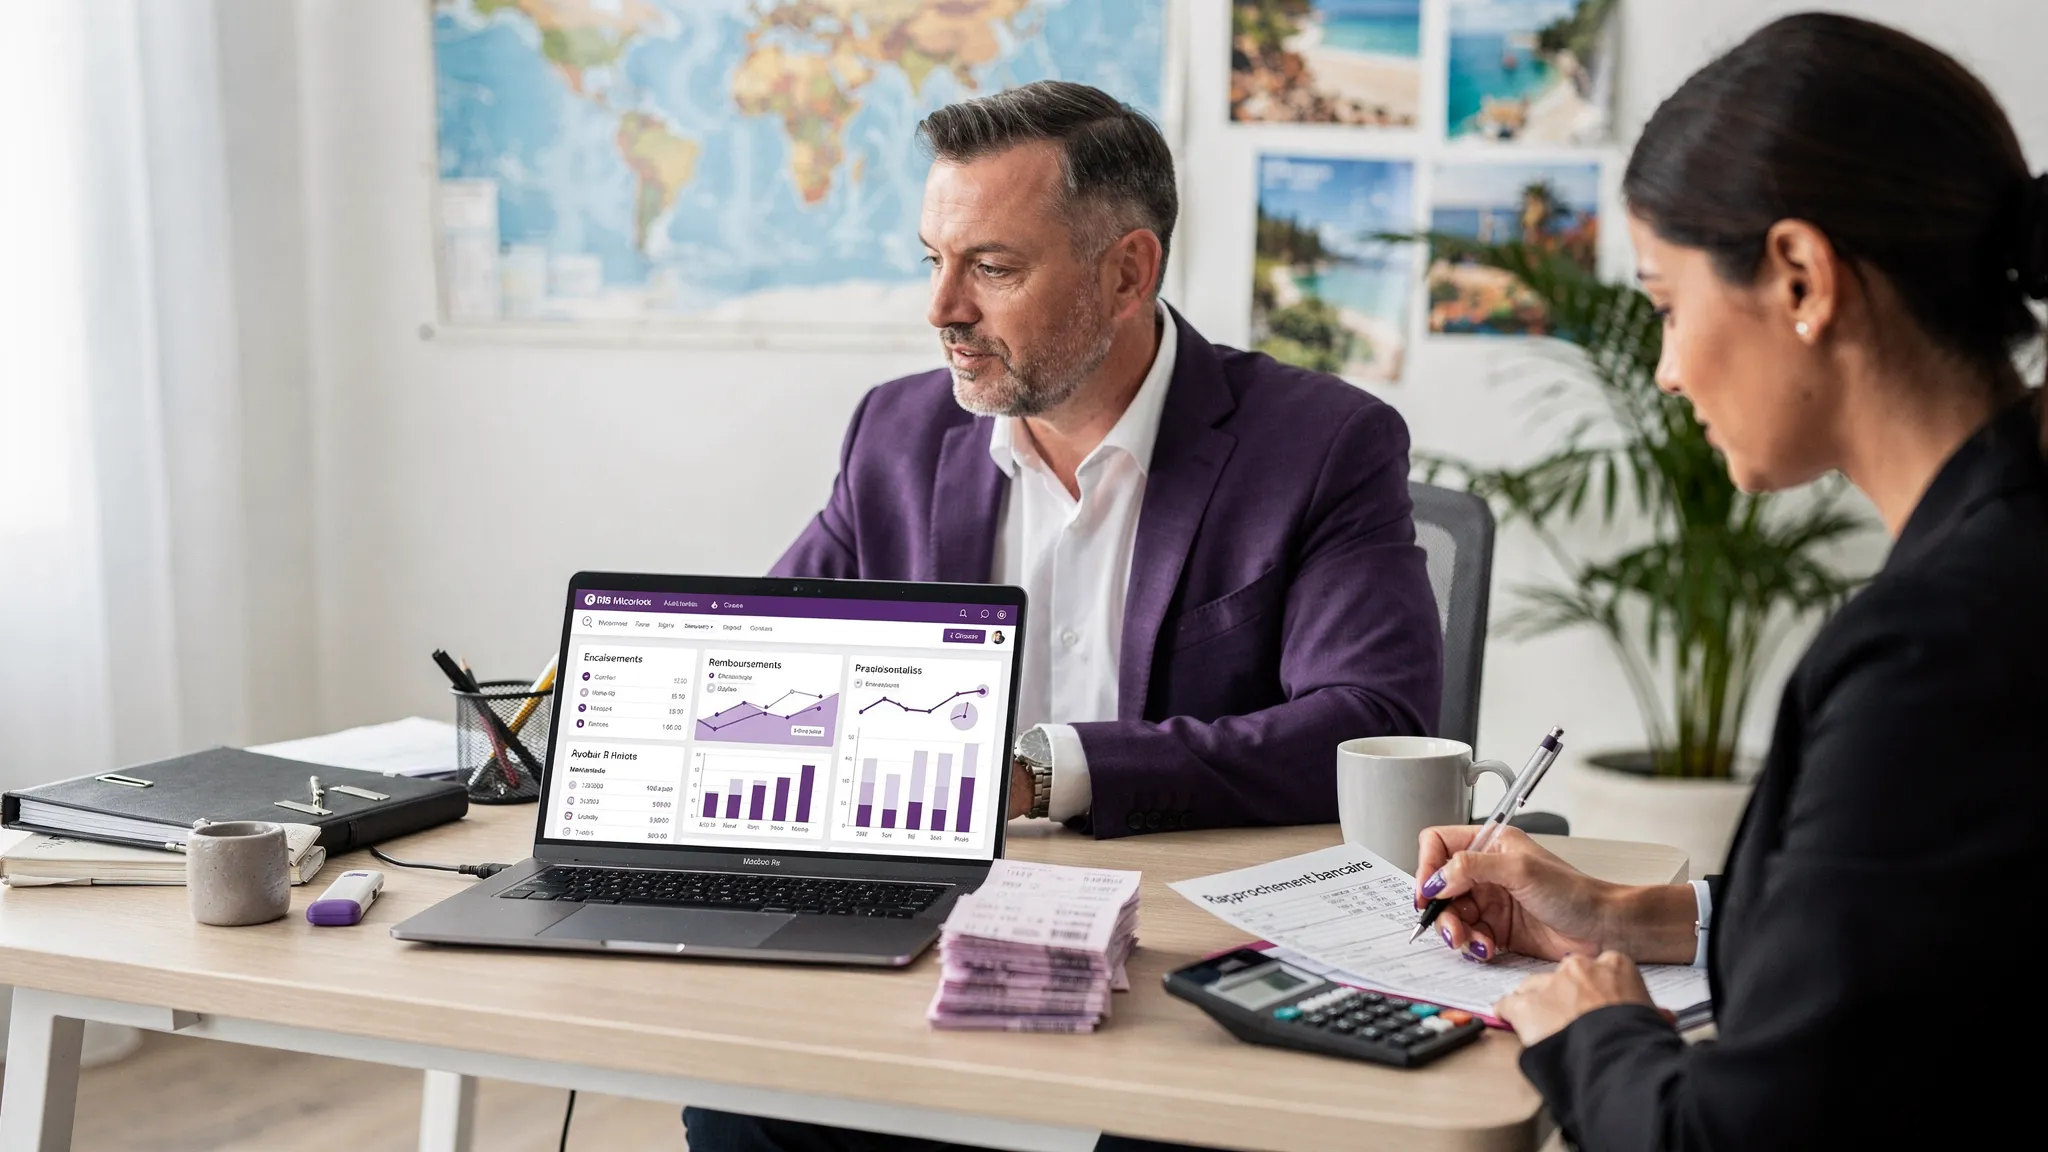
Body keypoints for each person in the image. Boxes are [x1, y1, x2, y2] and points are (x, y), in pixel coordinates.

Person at [687, 80, 1443, 1152]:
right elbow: (767, 657)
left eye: (991, 268)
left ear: (1127, 271)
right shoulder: (896, 434)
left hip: (1185, 963)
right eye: (932, 261)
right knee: (743, 1112)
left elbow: (1369, 720)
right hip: (930, 941)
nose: (942, 307)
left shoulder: (1319, 445)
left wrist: (1044, 774)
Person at [1411, 13, 2048, 1148]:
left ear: (1799, 276)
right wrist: (1617, 917)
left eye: (1663, 304)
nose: (1659, 369)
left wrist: (1588, 1036)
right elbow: (1914, 948)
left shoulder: (1942, 648)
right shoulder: (1993, 562)